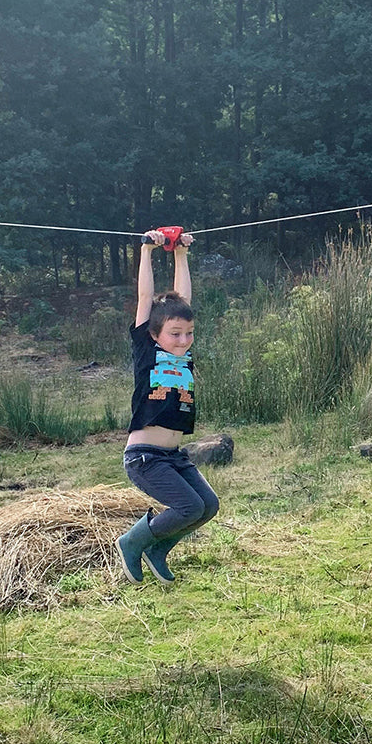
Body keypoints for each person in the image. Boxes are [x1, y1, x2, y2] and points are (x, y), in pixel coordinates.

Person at [117, 229, 219, 585]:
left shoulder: (184, 352)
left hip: (175, 455)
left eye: (188, 333)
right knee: (188, 507)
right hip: (145, 456)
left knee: (207, 506)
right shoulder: (148, 351)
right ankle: (133, 542)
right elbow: (146, 297)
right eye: (175, 334)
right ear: (155, 335)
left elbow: (183, 299)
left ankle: (158, 548)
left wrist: (180, 252)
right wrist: (146, 250)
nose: (183, 339)